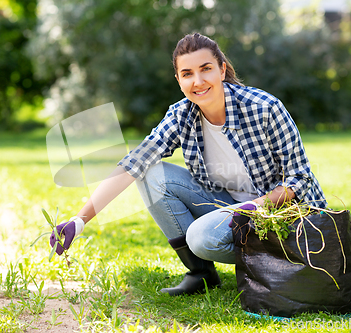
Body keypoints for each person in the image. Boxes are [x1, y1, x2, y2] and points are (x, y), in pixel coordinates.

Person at [50, 32, 327, 297]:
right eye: (187, 74)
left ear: (222, 69)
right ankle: (201, 273)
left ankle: (274, 263)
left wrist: (251, 209)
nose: (198, 81)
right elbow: (134, 163)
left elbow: (298, 180)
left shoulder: (263, 107)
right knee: (151, 174)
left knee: (202, 237)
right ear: (178, 81)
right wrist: (79, 220)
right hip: (231, 205)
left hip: (284, 217)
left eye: (206, 69)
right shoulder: (181, 114)